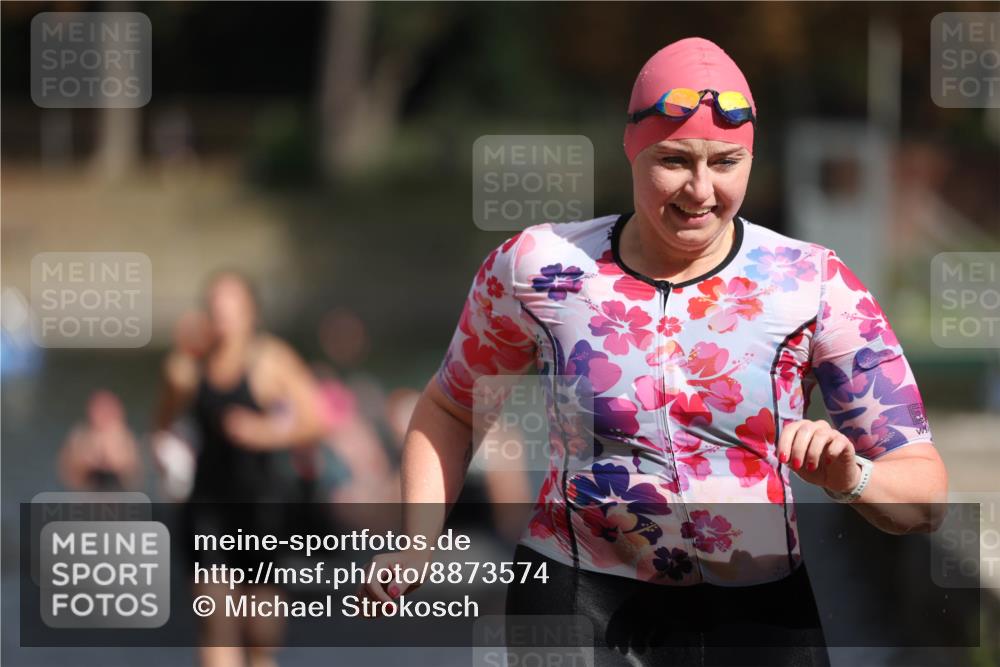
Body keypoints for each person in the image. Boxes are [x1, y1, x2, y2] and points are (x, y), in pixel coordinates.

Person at [359, 37, 948, 665]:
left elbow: (926, 498)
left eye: (726, 162)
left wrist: (852, 478)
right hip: (579, 597)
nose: (700, 189)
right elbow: (453, 406)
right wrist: (417, 540)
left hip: (757, 616)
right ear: (631, 149)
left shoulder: (813, 284)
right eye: (674, 160)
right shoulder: (541, 268)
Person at [153, 270, 326, 667]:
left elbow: (317, 420)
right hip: (207, 508)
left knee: (261, 636)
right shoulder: (189, 366)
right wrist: (167, 454)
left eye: (232, 308)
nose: (224, 317)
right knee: (216, 624)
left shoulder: (271, 360)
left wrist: (265, 432)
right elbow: (161, 424)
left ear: (251, 313)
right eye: (216, 308)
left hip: (261, 509)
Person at [59, 389, 141, 492]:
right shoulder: (80, 434)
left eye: (107, 409)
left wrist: (113, 461)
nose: (103, 415)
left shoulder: (124, 435)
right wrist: (88, 462)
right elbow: (67, 471)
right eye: (99, 410)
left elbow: (133, 473)